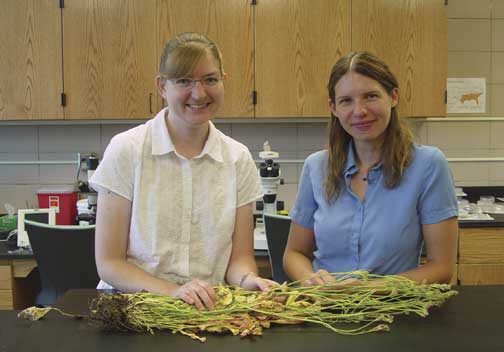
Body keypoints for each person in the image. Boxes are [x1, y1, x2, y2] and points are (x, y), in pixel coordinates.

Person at [90, 32, 276, 310]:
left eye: (210, 79)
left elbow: (240, 259)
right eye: (184, 81)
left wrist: (248, 279)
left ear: (224, 80)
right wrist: (173, 292)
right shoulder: (127, 149)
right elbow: (110, 264)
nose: (199, 93)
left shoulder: (237, 159)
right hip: (131, 309)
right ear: (162, 86)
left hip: (205, 311)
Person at [283, 51, 458, 286]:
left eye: (371, 96)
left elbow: (442, 267)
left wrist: (367, 289)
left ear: (393, 97)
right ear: (333, 108)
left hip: (394, 313)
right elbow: (294, 254)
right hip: (325, 309)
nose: (360, 111)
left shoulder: (428, 165)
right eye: (346, 100)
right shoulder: (316, 167)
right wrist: (311, 279)